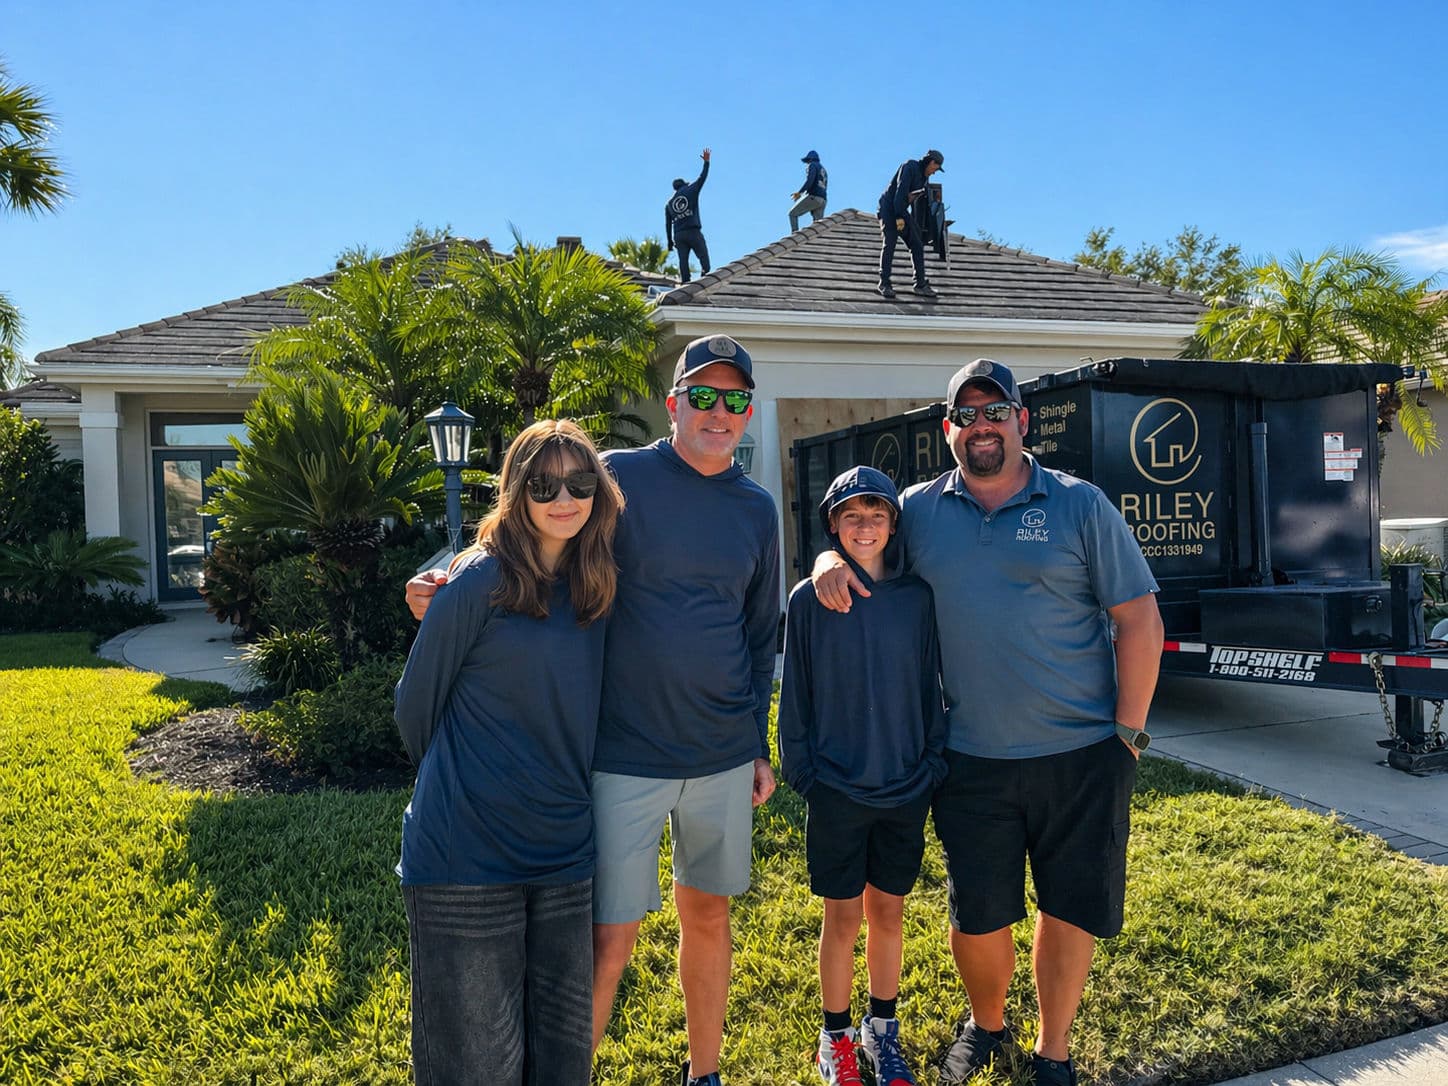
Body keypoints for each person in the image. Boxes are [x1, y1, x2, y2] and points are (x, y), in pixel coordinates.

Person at [406, 334, 781, 1086]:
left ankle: (702, 1073)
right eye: (702, 396)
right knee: (606, 942)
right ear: (674, 404)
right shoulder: (613, 479)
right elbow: (529, 521)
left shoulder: (758, 508)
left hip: (720, 756)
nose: (719, 412)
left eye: (735, 400)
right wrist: (437, 576)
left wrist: (757, 743)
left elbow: (757, 630)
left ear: (748, 413)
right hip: (620, 756)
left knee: (709, 919)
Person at [812, 359, 1163, 1086]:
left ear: (1021, 420)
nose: (982, 426)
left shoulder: (1078, 504)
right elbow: (862, 542)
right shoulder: (918, 510)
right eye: (966, 415)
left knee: (1069, 907)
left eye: (995, 410)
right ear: (948, 430)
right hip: (968, 755)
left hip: (1082, 753)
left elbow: (1139, 619)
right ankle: (990, 1025)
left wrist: (1127, 736)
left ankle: (1054, 1050)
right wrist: (822, 558)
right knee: (979, 916)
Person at [394, 419, 626, 1086]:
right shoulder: (478, 581)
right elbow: (416, 708)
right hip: (466, 859)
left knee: (560, 1062)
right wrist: (469, 789)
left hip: (564, 857)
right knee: (476, 1066)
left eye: (580, 482)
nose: (564, 497)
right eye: (543, 483)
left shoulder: (595, 587)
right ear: (514, 491)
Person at [777, 466, 947, 1086]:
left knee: (890, 913)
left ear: (893, 524)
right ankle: (836, 1037)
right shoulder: (809, 600)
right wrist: (807, 775)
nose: (865, 525)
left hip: (905, 787)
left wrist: (931, 762)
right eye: (851, 515)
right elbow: (794, 699)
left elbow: (931, 688)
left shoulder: (916, 598)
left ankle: (883, 1032)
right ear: (832, 525)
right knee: (842, 918)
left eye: (877, 514)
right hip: (838, 791)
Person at [876, 149, 943, 300]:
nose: (934, 172)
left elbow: (917, 205)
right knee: (890, 242)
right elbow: (900, 194)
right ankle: (884, 283)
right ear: (931, 162)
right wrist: (899, 217)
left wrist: (919, 226)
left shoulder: (924, 178)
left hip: (901, 210)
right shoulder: (910, 167)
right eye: (935, 168)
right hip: (889, 209)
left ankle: (920, 284)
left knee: (917, 243)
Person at [666, 148, 712, 284]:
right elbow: (701, 178)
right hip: (692, 231)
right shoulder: (690, 190)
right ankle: (706, 275)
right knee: (703, 257)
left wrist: (669, 243)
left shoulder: (669, 203)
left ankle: (685, 282)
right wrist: (707, 162)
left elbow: (668, 224)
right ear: (684, 185)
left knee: (683, 261)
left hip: (679, 235)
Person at [789, 149, 828, 232]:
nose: (806, 163)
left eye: (807, 161)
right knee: (818, 227)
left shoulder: (812, 165)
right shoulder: (823, 170)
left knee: (792, 214)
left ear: (810, 159)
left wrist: (800, 192)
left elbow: (810, 180)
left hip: (814, 196)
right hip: (823, 200)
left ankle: (795, 237)